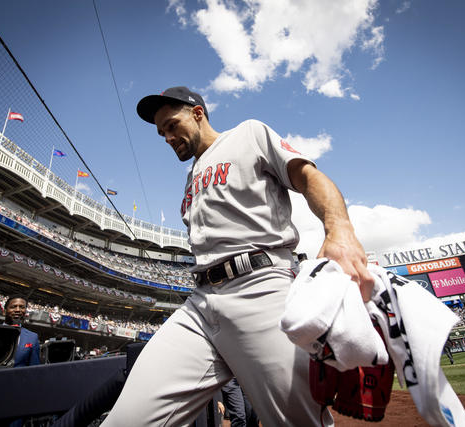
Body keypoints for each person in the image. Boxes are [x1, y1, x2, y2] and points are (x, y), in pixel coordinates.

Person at [102, 86, 374, 426]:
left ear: (197, 113)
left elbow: (308, 176)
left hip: (261, 287)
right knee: (127, 419)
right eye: (161, 133)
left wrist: (340, 229)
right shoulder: (191, 178)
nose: (167, 137)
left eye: (172, 125)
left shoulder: (248, 134)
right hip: (200, 304)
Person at [4, 294, 41, 367]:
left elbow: (34, 367)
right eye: (13, 307)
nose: (18, 310)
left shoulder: (32, 337)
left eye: (22, 307)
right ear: (5, 311)